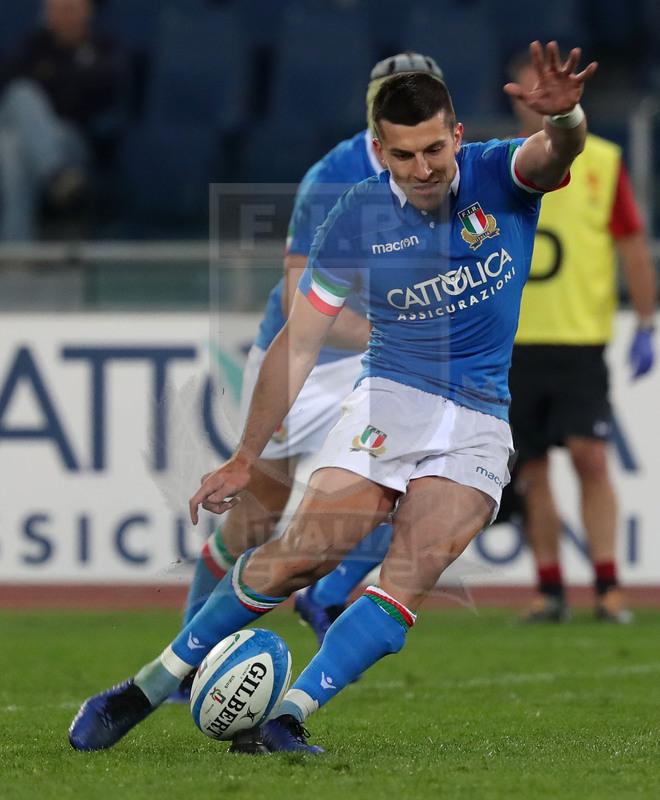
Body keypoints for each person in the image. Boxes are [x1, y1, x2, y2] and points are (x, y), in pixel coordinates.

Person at [69, 41, 597, 754]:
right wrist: (243, 456)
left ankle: (286, 718)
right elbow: (298, 341)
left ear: (456, 135)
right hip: (391, 400)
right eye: (404, 155)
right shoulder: (353, 216)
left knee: (409, 575)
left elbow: (556, 153)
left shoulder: (498, 174)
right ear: (379, 150)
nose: (423, 169)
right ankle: (146, 687)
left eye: (434, 150)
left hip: (480, 418)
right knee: (302, 554)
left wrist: (565, 118)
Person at [173, 53, 445, 698]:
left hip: (377, 363)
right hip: (309, 361)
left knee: (417, 481)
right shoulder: (334, 177)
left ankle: (324, 594)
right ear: (373, 111)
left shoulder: (445, 171)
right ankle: (188, 658)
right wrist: (395, 329)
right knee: (256, 519)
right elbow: (304, 298)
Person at [505, 51, 657, 624]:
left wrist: (645, 323)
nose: (538, 96)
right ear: (515, 97)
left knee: (591, 458)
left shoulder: (603, 161)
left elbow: (632, 244)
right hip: (514, 343)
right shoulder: (497, 165)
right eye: (529, 87)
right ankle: (548, 589)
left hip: (578, 341)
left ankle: (609, 586)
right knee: (532, 469)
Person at [0, 0, 126, 240]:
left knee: (9, 147)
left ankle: (16, 251)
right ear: (47, 14)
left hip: (73, 141)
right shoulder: (34, 46)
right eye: (58, 10)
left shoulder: (103, 48)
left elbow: (95, 94)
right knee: (20, 98)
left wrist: (55, 78)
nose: (64, 17)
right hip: (44, 151)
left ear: (87, 11)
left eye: (70, 9)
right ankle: (55, 175)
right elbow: (7, 86)